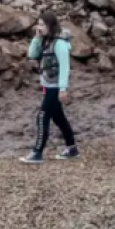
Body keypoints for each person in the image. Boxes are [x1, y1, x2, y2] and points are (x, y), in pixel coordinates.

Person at [21, 11, 77, 163]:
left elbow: (65, 67)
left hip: (55, 87)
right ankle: (72, 147)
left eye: (42, 25)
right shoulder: (45, 41)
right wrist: (37, 37)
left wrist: (63, 89)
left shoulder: (59, 43)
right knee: (59, 118)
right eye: (38, 24)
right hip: (48, 85)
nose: (39, 27)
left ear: (50, 25)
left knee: (42, 116)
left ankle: (37, 152)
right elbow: (32, 54)